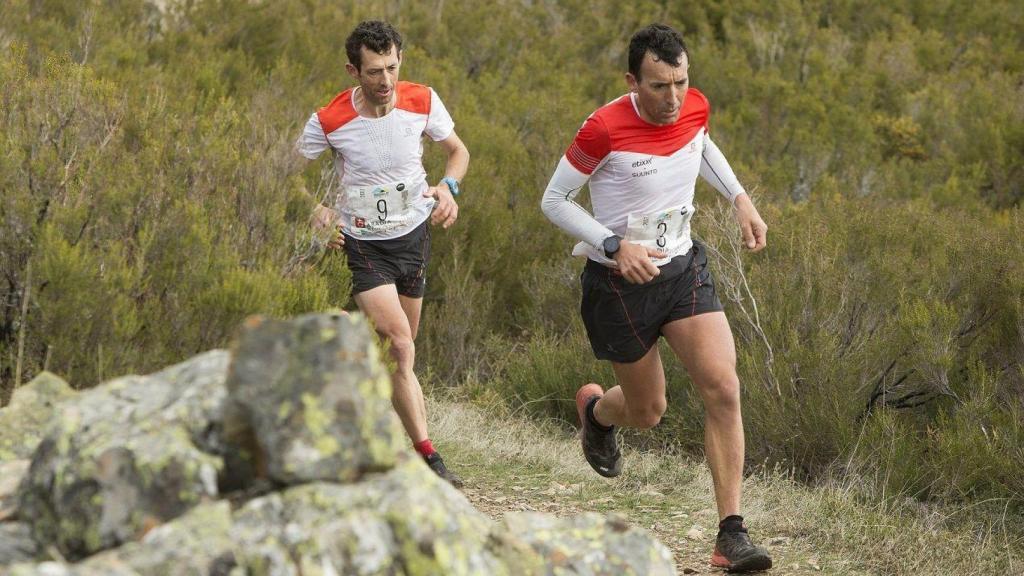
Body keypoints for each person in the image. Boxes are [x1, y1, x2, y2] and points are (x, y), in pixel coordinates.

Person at [541, 23, 772, 572]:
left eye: (681, 83)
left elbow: (703, 144)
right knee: (648, 411)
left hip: (683, 268)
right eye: (659, 87)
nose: (674, 99)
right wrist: (612, 243)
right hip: (619, 284)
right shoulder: (603, 128)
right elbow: (554, 200)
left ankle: (730, 534)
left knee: (723, 387)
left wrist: (739, 197)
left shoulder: (693, 106)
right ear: (632, 81)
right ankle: (598, 414)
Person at [295, 20, 469, 487]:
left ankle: (350, 420)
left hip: (413, 235)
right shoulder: (329, 120)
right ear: (353, 70)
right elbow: (284, 173)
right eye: (374, 72)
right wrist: (315, 208)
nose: (386, 81)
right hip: (361, 244)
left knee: (399, 357)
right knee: (399, 343)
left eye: (392, 67)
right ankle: (428, 457)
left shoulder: (422, 100)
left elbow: (457, 152)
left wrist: (449, 187)